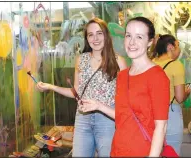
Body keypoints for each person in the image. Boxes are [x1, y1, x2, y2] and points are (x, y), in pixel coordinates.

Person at [79, 17, 170, 157]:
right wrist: (98, 105)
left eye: (139, 37)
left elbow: (161, 127)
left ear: (150, 42)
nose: (132, 42)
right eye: (128, 36)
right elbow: (123, 116)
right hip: (118, 150)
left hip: (143, 151)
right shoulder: (122, 75)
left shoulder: (157, 76)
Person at [36, 18, 127, 157]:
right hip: (83, 118)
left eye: (99, 33)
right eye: (90, 35)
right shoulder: (81, 59)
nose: (95, 38)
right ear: (87, 38)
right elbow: (76, 92)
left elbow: (126, 97)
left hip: (107, 120)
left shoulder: (118, 61)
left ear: (106, 35)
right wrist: (50, 86)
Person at [152, 34, 191, 156]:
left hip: (152, 114)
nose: (179, 50)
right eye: (178, 45)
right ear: (170, 47)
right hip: (171, 115)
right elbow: (179, 98)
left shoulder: (150, 63)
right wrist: (187, 92)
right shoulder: (176, 65)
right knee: (172, 152)